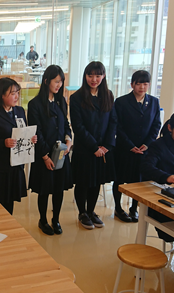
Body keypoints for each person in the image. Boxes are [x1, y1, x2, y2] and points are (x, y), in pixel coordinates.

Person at [70, 61, 117, 230]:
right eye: (90, 75)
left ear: (103, 76)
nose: (94, 79)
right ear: (85, 76)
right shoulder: (76, 98)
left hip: (103, 149)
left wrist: (106, 146)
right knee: (83, 182)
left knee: (96, 181)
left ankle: (91, 211)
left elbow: (113, 122)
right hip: (85, 149)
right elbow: (78, 127)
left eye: (98, 75)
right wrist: (94, 147)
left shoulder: (108, 95)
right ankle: (82, 212)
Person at [28, 65, 73, 235]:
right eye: (56, 81)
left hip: (62, 153)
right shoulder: (35, 104)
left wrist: (69, 141)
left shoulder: (62, 101)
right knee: (45, 189)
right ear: (46, 81)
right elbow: (36, 131)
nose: (59, 85)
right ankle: (43, 219)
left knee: (58, 189)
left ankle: (56, 219)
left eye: (61, 82)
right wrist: (45, 156)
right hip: (44, 154)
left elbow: (66, 126)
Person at [0, 78, 37, 214]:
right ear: (2, 94)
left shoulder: (19, 111)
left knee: (10, 201)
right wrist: (3, 143)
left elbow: (22, 132)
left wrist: (30, 138)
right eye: (12, 93)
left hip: (15, 165)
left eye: (17, 93)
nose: (16, 96)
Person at [112, 70, 161, 223]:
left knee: (139, 181)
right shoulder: (121, 102)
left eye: (145, 84)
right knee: (120, 179)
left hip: (143, 150)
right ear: (132, 84)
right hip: (124, 149)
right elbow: (117, 126)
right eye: (138, 83)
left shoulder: (154, 102)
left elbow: (156, 125)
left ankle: (134, 209)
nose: (142, 87)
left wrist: (147, 144)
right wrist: (130, 145)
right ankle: (118, 208)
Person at [140, 111, 174, 279]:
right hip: (162, 199)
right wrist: (167, 177)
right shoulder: (159, 145)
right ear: (170, 128)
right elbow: (146, 167)